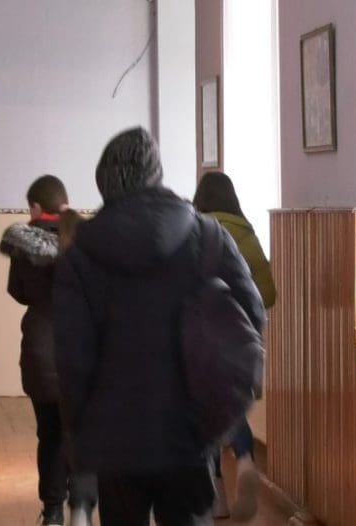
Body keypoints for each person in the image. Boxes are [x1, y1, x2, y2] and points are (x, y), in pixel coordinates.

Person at [53, 127, 265, 526]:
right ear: (157, 174)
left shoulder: (80, 255)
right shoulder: (208, 236)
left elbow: (71, 360)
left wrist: (78, 443)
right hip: (189, 432)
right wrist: (225, 403)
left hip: (114, 438)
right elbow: (252, 314)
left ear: (104, 184)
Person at [0, 175, 97, 526]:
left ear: (37, 207)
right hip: (83, 352)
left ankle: (53, 512)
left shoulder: (24, 244)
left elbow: (18, 292)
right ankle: (82, 509)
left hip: (41, 351)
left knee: (50, 435)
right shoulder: (90, 241)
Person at [193, 170, 277, 521]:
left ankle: (217, 495)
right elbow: (268, 293)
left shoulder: (196, 232)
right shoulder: (247, 233)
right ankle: (244, 459)